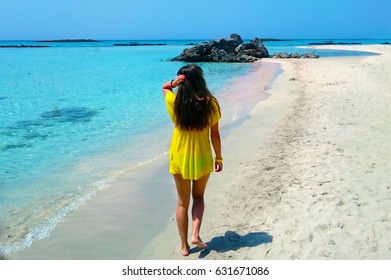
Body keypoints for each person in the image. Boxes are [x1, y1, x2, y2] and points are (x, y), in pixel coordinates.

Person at [162, 64, 223, 256]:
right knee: (198, 198)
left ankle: (184, 246)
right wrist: (219, 157)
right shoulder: (211, 104)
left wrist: (173, 82)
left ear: (182, 83)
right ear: (200, 81)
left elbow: (164, 88)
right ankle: (195, 234)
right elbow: (215, 135)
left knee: (182, 203)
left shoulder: (175, 102)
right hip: (203, 157)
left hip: (180, 157)